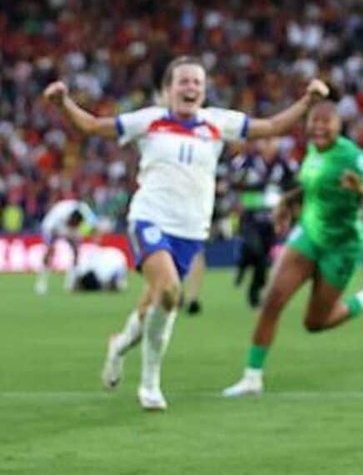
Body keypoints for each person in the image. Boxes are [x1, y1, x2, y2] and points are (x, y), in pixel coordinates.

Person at [43, 58, 330, 410]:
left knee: (154, 306)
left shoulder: (217, 122)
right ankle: (150, 385)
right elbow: (91, 126)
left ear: (204, 91)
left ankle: (119, 345)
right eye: (183, 81)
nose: (190, 87)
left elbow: (270, 126)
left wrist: (308, 102)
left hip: (190, 231)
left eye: (197, 82)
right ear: (168, 89)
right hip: (149, 219)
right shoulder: (148, 121)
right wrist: (62, 103)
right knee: (169, 291)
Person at [221, 102, 363, 397]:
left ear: (339, 125)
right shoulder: (313, 152)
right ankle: (252, 378)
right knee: (272, 300)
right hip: (308, 236)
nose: (319, 128)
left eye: (326, 123)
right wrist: (287, 202)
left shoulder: (353, 157)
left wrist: (360, 190)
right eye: (314, 122)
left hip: (342, 246)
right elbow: (311, 187)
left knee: (315, 323)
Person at [228, 135, 299, 308]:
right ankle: (244, 266)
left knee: (264, 258)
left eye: (272, 141)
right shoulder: (246, 162)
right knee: (255, 249)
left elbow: (295, 186)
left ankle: (254, 288)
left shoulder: (285, 164)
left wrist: (288, 210)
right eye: (265, 140)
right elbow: (233, 183)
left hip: (272, 219)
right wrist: (238, 198)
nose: (268, 144)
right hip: (250, 218)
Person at [35, 198, 98, 295]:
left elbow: (95, 226)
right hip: (53, 228)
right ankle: (42, 282)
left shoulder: (84, 210)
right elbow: (48, 232)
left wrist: (93, 238)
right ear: (70, 219)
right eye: (73, 224)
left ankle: (71, 283)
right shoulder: (56, 218)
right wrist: (50, 246)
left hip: (67, 226)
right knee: (50, 252)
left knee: (76, 250)